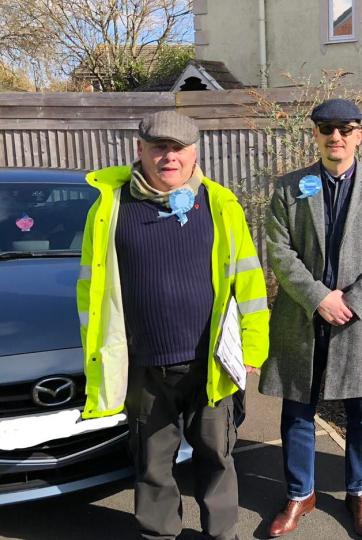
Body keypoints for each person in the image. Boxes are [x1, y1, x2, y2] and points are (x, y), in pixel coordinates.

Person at [77, 110, 270, 540]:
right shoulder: (110, 208)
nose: (169, 157)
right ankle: (159, 535)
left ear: (194, 153)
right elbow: (92, 290)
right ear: (139, 150)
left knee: (217, 456)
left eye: (178, 148)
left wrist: (253, 350)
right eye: (159, 147)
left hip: (210, 363)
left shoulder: (220, 204)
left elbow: (249, 281)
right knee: (151, 464)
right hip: (144, 365)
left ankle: (222, 535)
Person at [260, 99, 362, 538]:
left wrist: (352, 301)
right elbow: (279, 252)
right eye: (326, 128)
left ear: (360, 135)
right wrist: (319, 297)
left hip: (358, 321)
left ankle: (359, 492)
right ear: (316, 135)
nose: (335, 136)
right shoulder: (290, 187)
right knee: (298, 411)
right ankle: (300, 493)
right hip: (303, 316)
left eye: (344, 128)